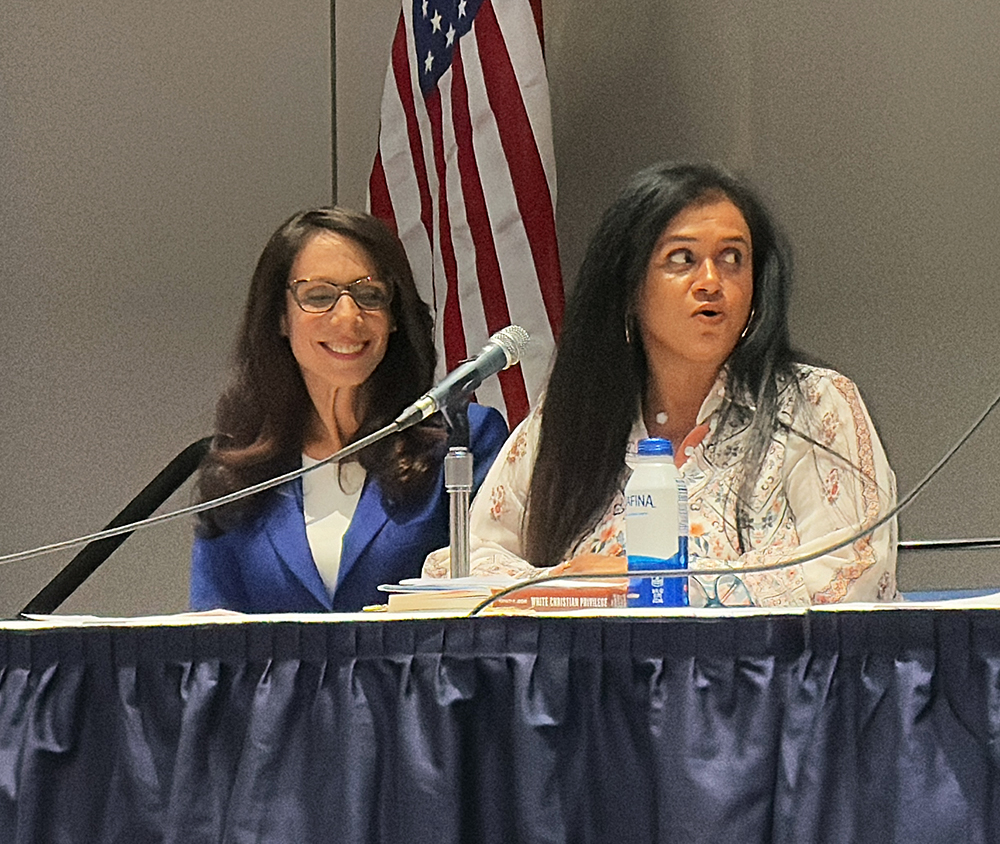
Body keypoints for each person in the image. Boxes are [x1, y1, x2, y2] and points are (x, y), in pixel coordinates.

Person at [424, 162, 899, 606]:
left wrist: (652, 583)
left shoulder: (814, 405)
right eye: (682, 258)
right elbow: (463, 568)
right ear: (629, 287)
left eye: (733, 258)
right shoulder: (573, 419)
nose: (711, 281)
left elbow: (853, 576)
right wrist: (570, 582)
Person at [190, 207, 508, 612]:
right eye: (319, 296)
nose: (348, 317)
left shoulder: (462, 441)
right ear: (281, 318)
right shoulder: (237, 471)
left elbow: (502, 611)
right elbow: (208, 642)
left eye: (369, 295)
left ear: (394, 316)